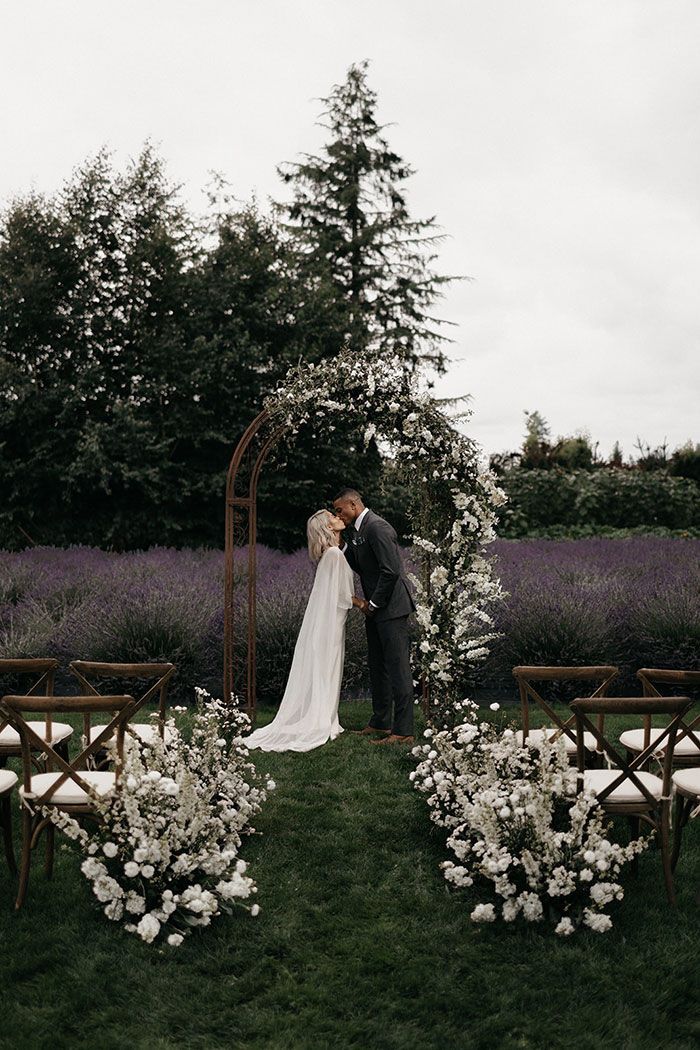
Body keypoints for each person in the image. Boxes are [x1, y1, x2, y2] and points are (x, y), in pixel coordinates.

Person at [245, 509, 364, 752]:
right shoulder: (333, 555)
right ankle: (322, 719)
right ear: (327, 528)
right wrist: (363, 604)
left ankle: (326, 716)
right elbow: (342, 595)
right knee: (327, 668)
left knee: (327, 668)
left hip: (329, 621)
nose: (338, 517)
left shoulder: (332, 554)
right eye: (333, 516)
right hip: (330, 624)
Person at [332, 488, 416, 746]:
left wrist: (373, 604)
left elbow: (391, 571)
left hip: (390, 609)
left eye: (339, 509)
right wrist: (342, 545)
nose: (338, 514)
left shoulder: (377, 527)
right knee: (378, 667)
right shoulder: (359, 530)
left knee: (398, 668)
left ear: (353, 504)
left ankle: (403, 731)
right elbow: (362, 566)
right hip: (376, 609)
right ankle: (381, 721)